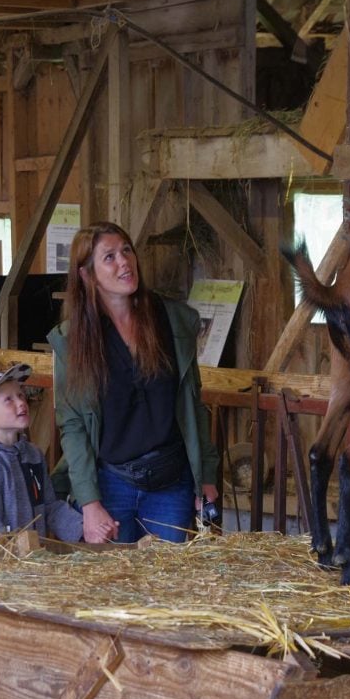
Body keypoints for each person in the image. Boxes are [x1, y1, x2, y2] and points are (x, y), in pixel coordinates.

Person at [48, 221, 219, 544]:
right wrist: (90, 503)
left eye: (126, 250)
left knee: (168, 586)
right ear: (87, 274)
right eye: (109, 257)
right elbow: (73, 426)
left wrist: (205, 475)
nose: (124, 262)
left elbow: (193, 404)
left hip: (172, 481)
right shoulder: (72, 342)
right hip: (111, 483)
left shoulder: (172, 321)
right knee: (116, 588)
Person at [0, 364, 83, 543]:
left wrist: (83, 530)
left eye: (20, 395)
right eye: (8, 399)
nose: (21, 403)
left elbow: (49, 507)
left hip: (33, 562)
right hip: (5, 567)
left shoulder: (32, 454)